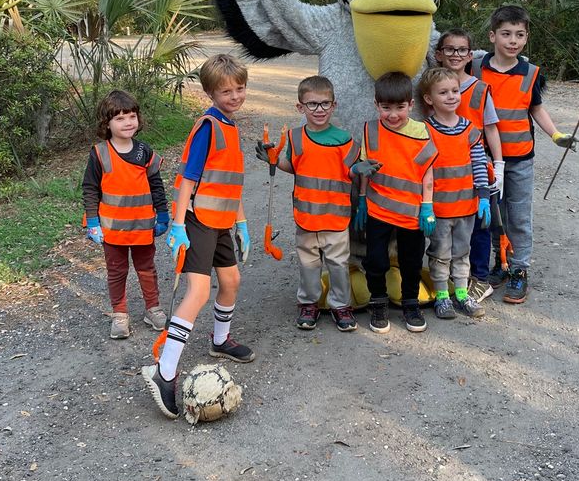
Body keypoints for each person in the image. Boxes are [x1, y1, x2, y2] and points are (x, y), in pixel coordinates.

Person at [142, 54, 253, 419]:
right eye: (226, 91)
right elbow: (188, 180)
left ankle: (220, 341)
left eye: (239, 88)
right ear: (210, 92)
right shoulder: (208, 125)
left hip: (221, 219)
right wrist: (177, 224)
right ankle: (166, 371)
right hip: (199, 220)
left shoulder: (231, 125)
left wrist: (241, 223)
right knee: (199, 291)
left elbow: (230, 183)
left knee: (231, 280)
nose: (234, 96)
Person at [472, 5, 577, 304]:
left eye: (519, 35)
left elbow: (536, 109)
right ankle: (502, 261)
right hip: (484, 157)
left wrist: (556, 135)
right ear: (493, 36)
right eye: (506, 34)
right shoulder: (476, 68)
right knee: (493, 214)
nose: (512, 40)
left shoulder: (531, 73)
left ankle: (520, 269)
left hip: (519, 158)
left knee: (518, 215)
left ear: (526, 38)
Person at [259, 75, 362, 332]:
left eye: (325, 104)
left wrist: (360, 169)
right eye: (312, 104)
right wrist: (272, 160)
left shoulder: (345, 139)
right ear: (300, 107)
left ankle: (340, 305)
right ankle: (308, 303)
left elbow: (350, 172)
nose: (319, 110)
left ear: (334, 105)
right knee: (308, 264)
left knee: (338, 265)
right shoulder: (294, 137)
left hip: (336, 217)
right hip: (306, 215)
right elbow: (293, 167)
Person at [81, 89, 171, 340]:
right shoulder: (99, 153)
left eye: (131, 116)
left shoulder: (144, 151)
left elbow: (156, 185)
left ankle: (153, 309)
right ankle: (119, 315)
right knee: (117, 271)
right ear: (107, 124)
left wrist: (163, 214)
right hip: (112, 229)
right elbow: (90, 189)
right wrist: (93, 222)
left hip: (143, 226)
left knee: (146, 268)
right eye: (119, 118)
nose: (128, 122)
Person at [355, 71, 437, 334]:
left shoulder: (421, 132)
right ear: (376, 104)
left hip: (412, 212)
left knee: (412, 261)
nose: (393, 115)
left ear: (411, 105)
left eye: (400, 108)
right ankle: (378, 303)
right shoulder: (370, 130)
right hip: (378, 208)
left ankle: (410, 304)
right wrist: (361, 200)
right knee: (376, 260)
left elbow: (427, 172)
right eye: (386, 107)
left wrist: (428, 206)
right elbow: (367, 168)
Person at [434, 28, 507, 303]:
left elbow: (491, 129)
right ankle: (449, 277)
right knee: (446, 226)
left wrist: (497, 165)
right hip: (443, 172)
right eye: (450, 49)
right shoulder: (433, 85)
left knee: (479, 225)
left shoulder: (479, 89)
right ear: (439, 54)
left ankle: (480, 278)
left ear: (470, 55)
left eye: (462, 50)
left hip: (475, 168)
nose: (455, 55)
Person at [417, 67, 489, 320]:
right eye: (443, 92)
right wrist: (425, 207)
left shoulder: (470, 129)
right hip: (440, 209)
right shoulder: (425, 131)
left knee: (462, 252)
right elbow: (422, 170)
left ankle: (461, 293)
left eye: (455, 91)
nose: (451, 97)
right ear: (429, 99)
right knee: (440, 253)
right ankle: (442, 296)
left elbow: (479, 163)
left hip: (467, 207)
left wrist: (484, 196)